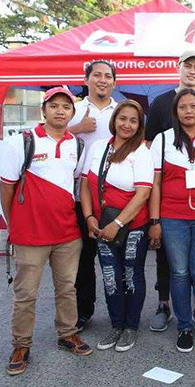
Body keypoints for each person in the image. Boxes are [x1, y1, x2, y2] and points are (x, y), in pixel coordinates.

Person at [0, 87, 93, 376]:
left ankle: (67, 334)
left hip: (67, 232)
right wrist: (14, 225)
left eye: (66, 106)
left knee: (67, 288)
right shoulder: (23, 142)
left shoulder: (76, 145)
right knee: (26, 293)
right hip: (30, 234)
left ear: (72, 112)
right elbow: (6, 187)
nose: (61, 110)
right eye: (55, 105)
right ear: (44, 110)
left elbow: (75, 183)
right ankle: (21, 344)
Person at [144, 50, 195, 333]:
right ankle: (168, 309)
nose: (192, 70)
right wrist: (154, 219)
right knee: (174, 267)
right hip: (171, 208)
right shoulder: (160, 108)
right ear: (178, 68)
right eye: (187, 65)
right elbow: (149, 152)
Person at [79, 100, 154, 352]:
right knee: (111, 277)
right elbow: (86, 184)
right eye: (123, 118)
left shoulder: (141, 151)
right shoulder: (99, 147)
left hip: (133, 227)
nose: (127, 124)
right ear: (114, 120)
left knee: (132, 276)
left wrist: (118, 223)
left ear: (140, 125)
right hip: (101, 226)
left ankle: (131, 327)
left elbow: (143, 193)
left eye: (134, 120)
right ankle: (116, 325)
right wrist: (89, 216)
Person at [68, 60, 119, 332]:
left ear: (114, 82)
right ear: (86, 79)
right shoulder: (72, 110)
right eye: (96, 75)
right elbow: (47, 136)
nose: (102, 80)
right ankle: (83, 311)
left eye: (107, 76)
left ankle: (119, 312)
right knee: (83, 258)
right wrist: (77, 128)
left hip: (112, 196)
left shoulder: (121, 112)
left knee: (116, 258)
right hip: (76, 196)